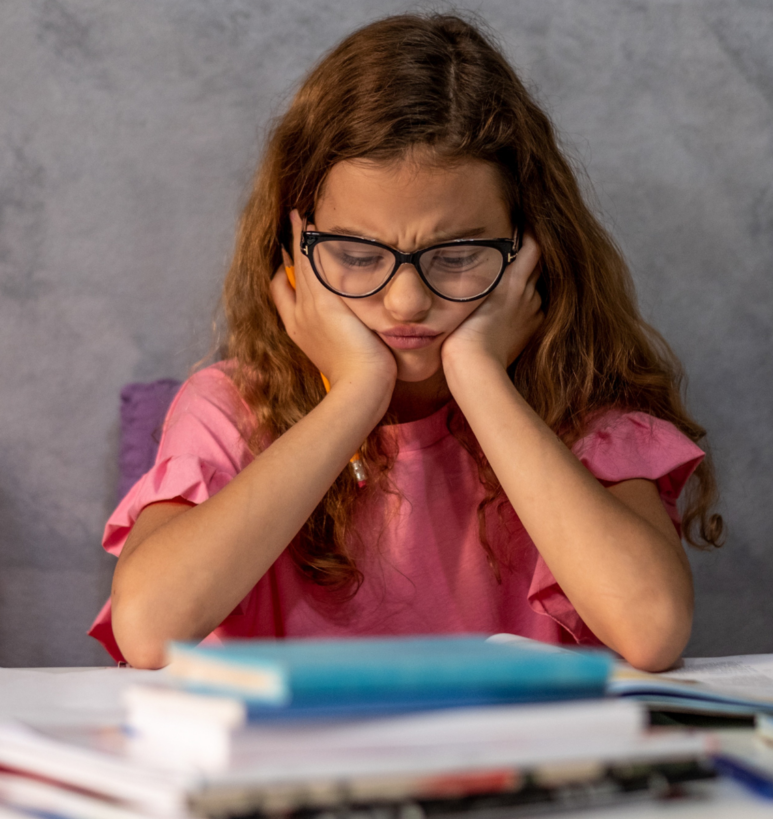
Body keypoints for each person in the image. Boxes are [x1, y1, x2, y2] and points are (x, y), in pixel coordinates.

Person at [89, 13, 723, 672]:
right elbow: (147, 628)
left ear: (528, 247)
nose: (406, 300)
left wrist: (481, 378)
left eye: (456, 254)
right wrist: (357, 396)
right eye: (358, 253)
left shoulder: (583, 414)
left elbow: (652, 627)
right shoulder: (229, 410)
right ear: (293, 250)